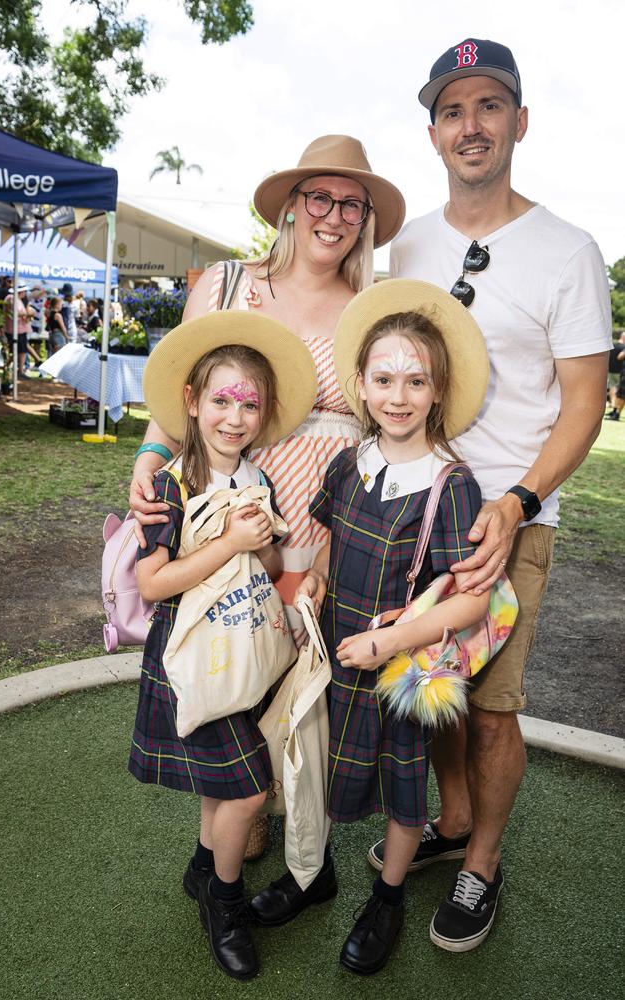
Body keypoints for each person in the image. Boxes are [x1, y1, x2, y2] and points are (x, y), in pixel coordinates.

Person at [366, 38, 612, 952]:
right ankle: (456, 817)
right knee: (434, 689)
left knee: (495, 704)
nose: (472, 125)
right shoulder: (413, 242)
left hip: (510, 518)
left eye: (489, 106)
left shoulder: (569, 250)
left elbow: (584, 405)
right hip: (416, 509)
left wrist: (518, 501)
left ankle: (483, 866)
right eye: (453, 110)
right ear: (432, 132)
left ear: (519, 121)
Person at [128, 134, 404, 861]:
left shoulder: (372, 309)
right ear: (290, 205)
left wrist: (339, 545)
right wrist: (151, 454)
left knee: (282, 693)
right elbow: (177, 393)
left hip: (318, 533)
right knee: (229, 682)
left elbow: (375, 443)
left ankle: (242, 843)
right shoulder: (224, 284)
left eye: (352, 202)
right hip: (229, 525)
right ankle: (220, 855)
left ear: (366, 217)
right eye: (320, 196)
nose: (334, 215)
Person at [250, 280, 492, 973]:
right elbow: (329, 536)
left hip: (395, 670)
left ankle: (387, 897)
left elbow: (471, 602)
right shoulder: (348, 463)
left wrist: (388, 641)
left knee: (404, 785)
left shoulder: (452, 485)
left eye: (417, 381)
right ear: (359, 384)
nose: (398, 394)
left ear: (439, 391)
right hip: (333, 656)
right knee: (320, 772)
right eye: (384, 378)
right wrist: (320, 574)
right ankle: (312, 873)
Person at [128, 310, 317, 981]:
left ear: (264, 416)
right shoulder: (170, 488)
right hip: (194, 661)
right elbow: (153, 583)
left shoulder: (257, 480)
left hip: (246, 653)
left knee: (223, 787)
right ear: (192, 402)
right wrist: (228, 544)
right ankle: (225, 904)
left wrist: (270, 555)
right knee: (244, 793)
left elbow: (262, 569)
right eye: (221, 401)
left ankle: (206, 866)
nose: (234, 418)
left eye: (249, 405)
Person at [3, 283, 40, 378]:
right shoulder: (12, 299)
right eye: (24, 291)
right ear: (21, 292)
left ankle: (12, 368)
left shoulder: (15, 299)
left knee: (20, 350)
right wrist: (29, 314)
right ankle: (20, 371)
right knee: (21, 350)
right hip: (15, 329)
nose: (25, 293)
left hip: (18, 329)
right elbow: (14, 313)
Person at [606, 332, 625, 420]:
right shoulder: (623, 347)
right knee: (619, 391)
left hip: (611, 370)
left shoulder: (612, 345)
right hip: (619, 371)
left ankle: (614, 410)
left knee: (614, 389)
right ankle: (615, 410)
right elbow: (620, 357)